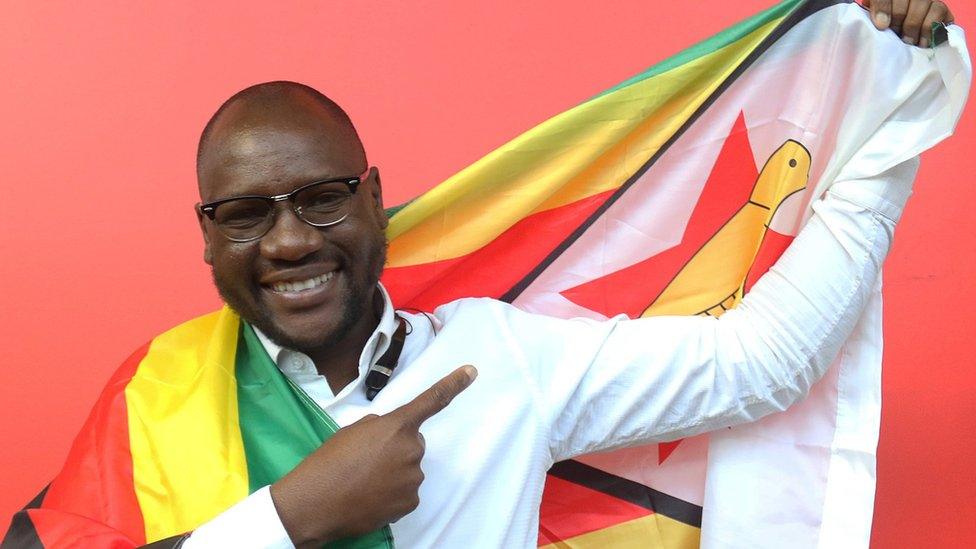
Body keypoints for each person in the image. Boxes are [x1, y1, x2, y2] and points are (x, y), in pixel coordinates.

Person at [3, 1, 958, 548]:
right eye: (244, 214)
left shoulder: (502, 359)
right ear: (207, 238)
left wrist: (891, 114)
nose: (289, 241)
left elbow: (764, 361)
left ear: (377, 200)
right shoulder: (156, 392)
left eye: (322, 198)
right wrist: (293, 517)